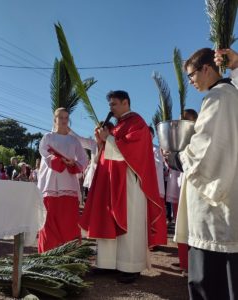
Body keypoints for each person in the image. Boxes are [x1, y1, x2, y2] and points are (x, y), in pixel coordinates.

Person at [164, 48, 238, 299]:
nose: (191, 82)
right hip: (228, 202)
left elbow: (204, 150)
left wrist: (176, 158)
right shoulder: (232, 94)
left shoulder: (218, 97)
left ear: (207, 68)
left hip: (214, 210)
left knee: (209, 281)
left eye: (192, 75)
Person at [80, 90, 167, 283]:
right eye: (110, 105)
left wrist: (108, 139)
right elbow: (108, 152)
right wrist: (102, 141)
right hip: (111, 182)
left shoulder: (137, 123)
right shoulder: (119, 125)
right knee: (108, 220)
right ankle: (108, 263)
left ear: (125, 102)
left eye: (114, 104)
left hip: (130, 182)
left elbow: (130, 151)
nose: (110, 108)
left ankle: (131, 266)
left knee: (131, 222)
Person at [37, 107, 88, 253]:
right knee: (49, 222)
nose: (64, 121)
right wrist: (61, 160)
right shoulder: (48, 137)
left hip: (69, 185)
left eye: (66, 118)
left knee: (68, 222)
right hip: (50, 184)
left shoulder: (74, 140)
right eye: (61, 118)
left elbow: (84, 159)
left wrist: (74, 164)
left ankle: (70, 255)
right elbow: (45, 155)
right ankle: (49, 255)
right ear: (55, 120)